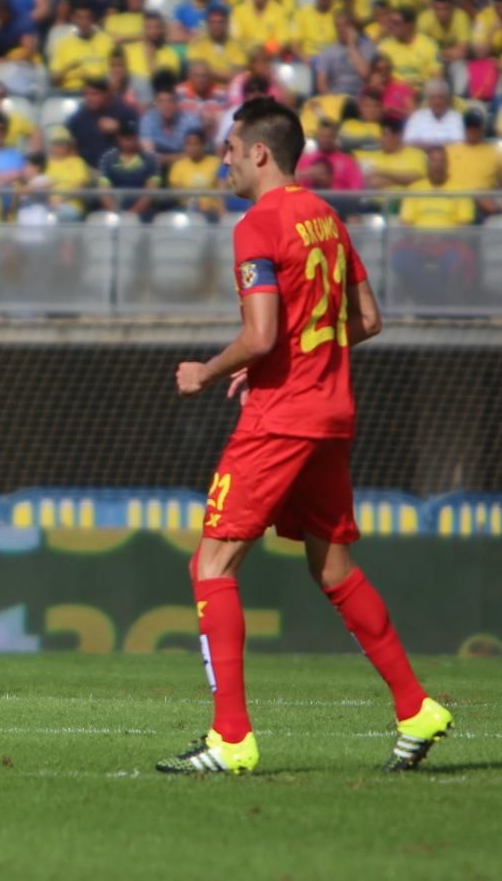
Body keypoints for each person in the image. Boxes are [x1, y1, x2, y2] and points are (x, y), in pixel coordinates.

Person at [161, 98, 452, 774]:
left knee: (209, 566)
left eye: (230, 147)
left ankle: (230, 738)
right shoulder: (326, 216)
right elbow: (368, 319)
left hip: (280, 418)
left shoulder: (257, 224)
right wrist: (289, 356)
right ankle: (415, 708)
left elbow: (261, 334)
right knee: (331, 568)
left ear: (259, 152)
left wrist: (205, 370)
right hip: (329, 412)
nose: (223, 159)